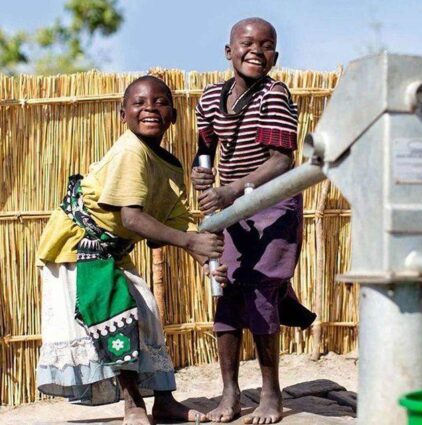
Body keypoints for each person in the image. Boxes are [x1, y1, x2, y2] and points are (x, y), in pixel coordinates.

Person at [36, 75, 226, 425]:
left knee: (147, 313)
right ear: (122, 114)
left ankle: (164, 402)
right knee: (114, 317)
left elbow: (177, 220)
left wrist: (205, 258)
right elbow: (132, 218)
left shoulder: (169, 165)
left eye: (160, 102)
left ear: (173, 116)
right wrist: (190, 242)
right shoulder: (130, 150)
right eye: (139, 103)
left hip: (112, 248)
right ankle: (133, 404)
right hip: (79, 245)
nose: (150, 108)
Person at [191, 18, 316, 424]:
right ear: (229, 52)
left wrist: (232, 190)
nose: (256, 51)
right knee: (226, 290)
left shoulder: (274, 96)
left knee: (260, 288)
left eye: (266, 45)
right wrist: (201, 173)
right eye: (247, 43)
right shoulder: (211, 98)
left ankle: (271, 393)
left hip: (272, 206)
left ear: (275, 57)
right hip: (233, 210)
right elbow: (204, 149)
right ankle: (229, 393)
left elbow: (282, 161)